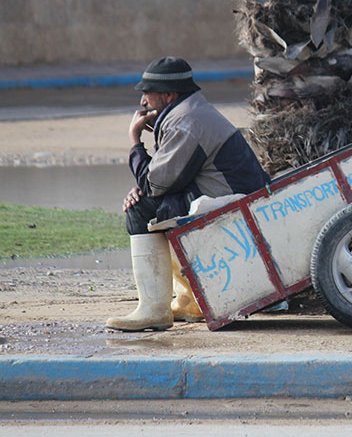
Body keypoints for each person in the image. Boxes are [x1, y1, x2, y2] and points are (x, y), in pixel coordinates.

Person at [106, 56, 270, 332]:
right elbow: (163, 178)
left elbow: (157, 185)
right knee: (152, 202)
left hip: (231, 206)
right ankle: (189, 298)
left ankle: (153, 310)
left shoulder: (185, 123)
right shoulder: (189, 113)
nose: (143, 102)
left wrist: (135, 140)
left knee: (140, 210)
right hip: (229, 199)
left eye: (147, 94)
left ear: (168, 95)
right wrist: (143, 186)